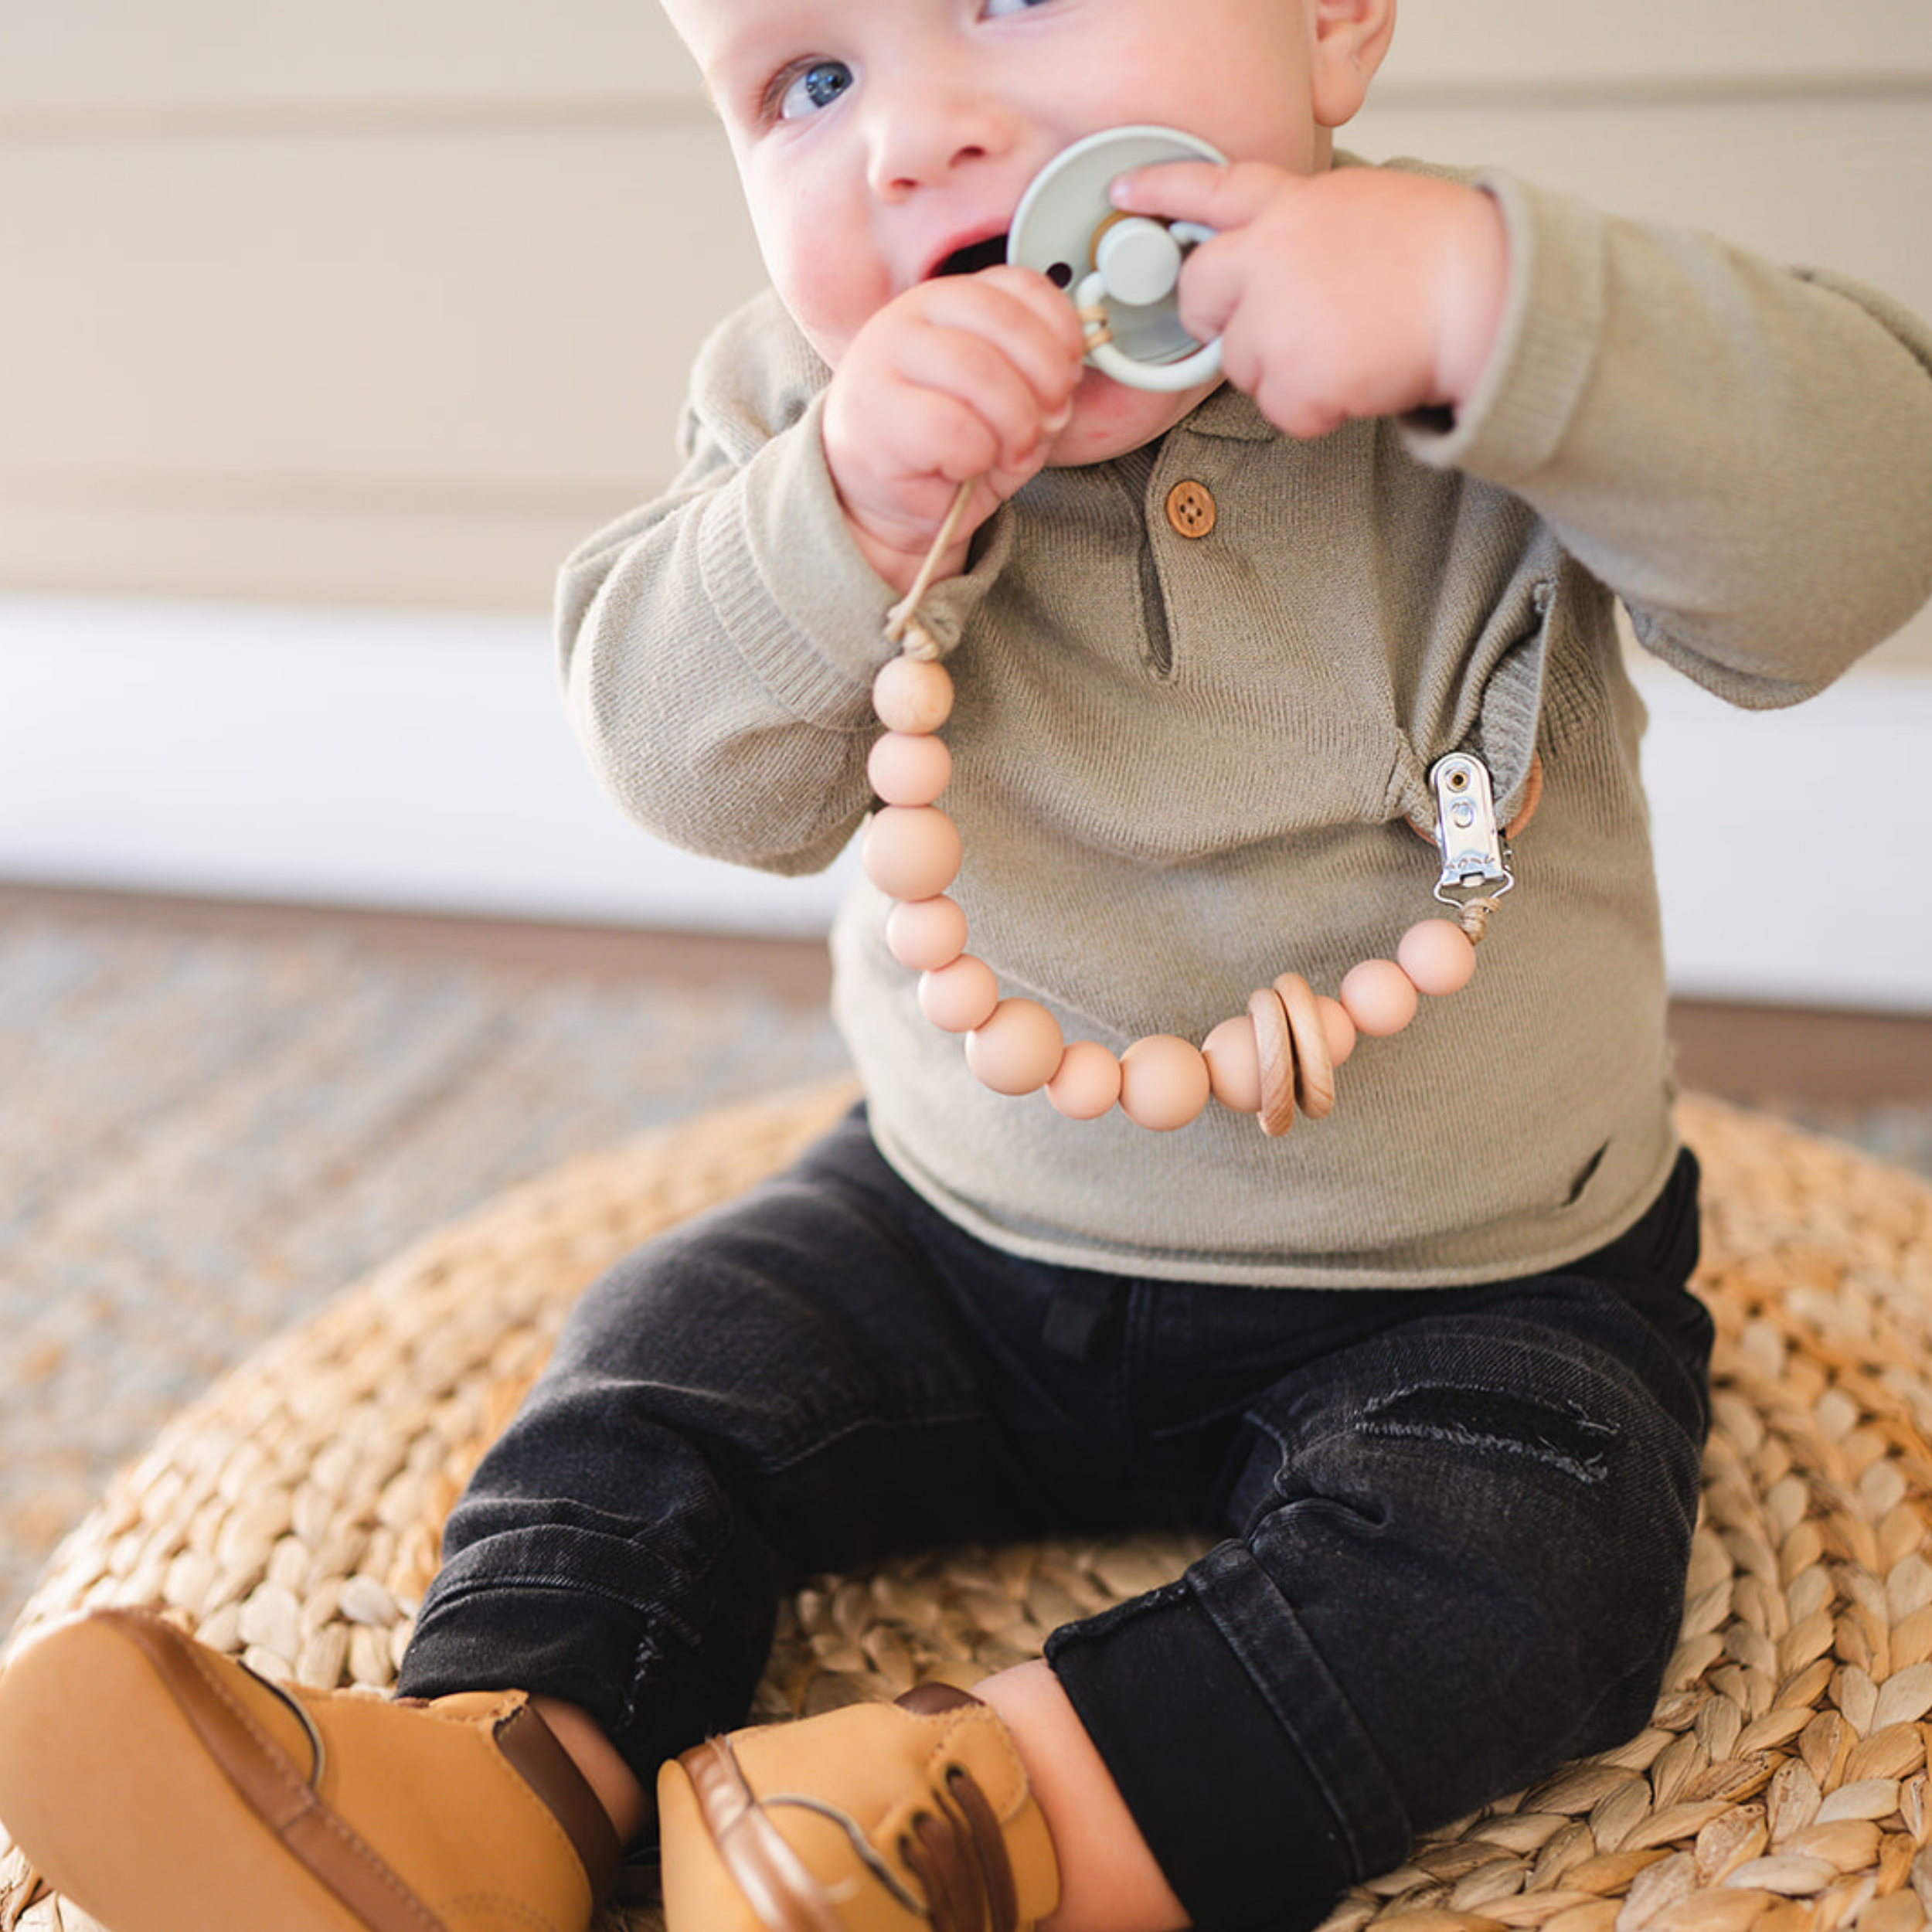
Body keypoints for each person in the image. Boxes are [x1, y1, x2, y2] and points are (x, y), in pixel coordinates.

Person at [4, 1, 1931, 1929]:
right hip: (953, 1224)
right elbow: (689, 768)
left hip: (1467, 1275)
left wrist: (1501, 315)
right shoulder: (802, 406)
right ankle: (502, 1762)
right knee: (663, 1359)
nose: (910, 138)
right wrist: (846, 511)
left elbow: (1857, 529)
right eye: (805, 83)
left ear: (1334, 19)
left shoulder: (1491, 335)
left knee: (1525, 1569)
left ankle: (985, 1817)